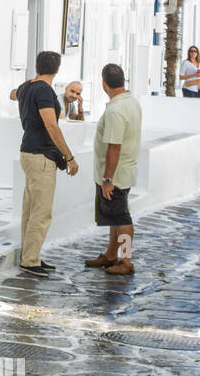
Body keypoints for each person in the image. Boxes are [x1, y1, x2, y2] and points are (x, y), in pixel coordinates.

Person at [8, 51, 80, 279]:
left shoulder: (28, 86)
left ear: (37, 66)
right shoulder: (44, 91)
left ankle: (31, 255)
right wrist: (69, 157)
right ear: (57, 70)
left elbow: (12, 95)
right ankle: (30, 261)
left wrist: (24, 86)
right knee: (41, 211)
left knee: (30, 209)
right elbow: (52, 125)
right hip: (41, 156)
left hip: (27, 152)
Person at [85, 63, 142, 276]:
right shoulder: (131, 102)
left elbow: (114, 146)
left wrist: (107, 178)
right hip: (123, 169)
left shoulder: (116, 110)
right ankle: (111, 255)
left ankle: (126, 260)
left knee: (122, 218)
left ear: (104, 84)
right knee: (114, 216)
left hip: (116, 174)